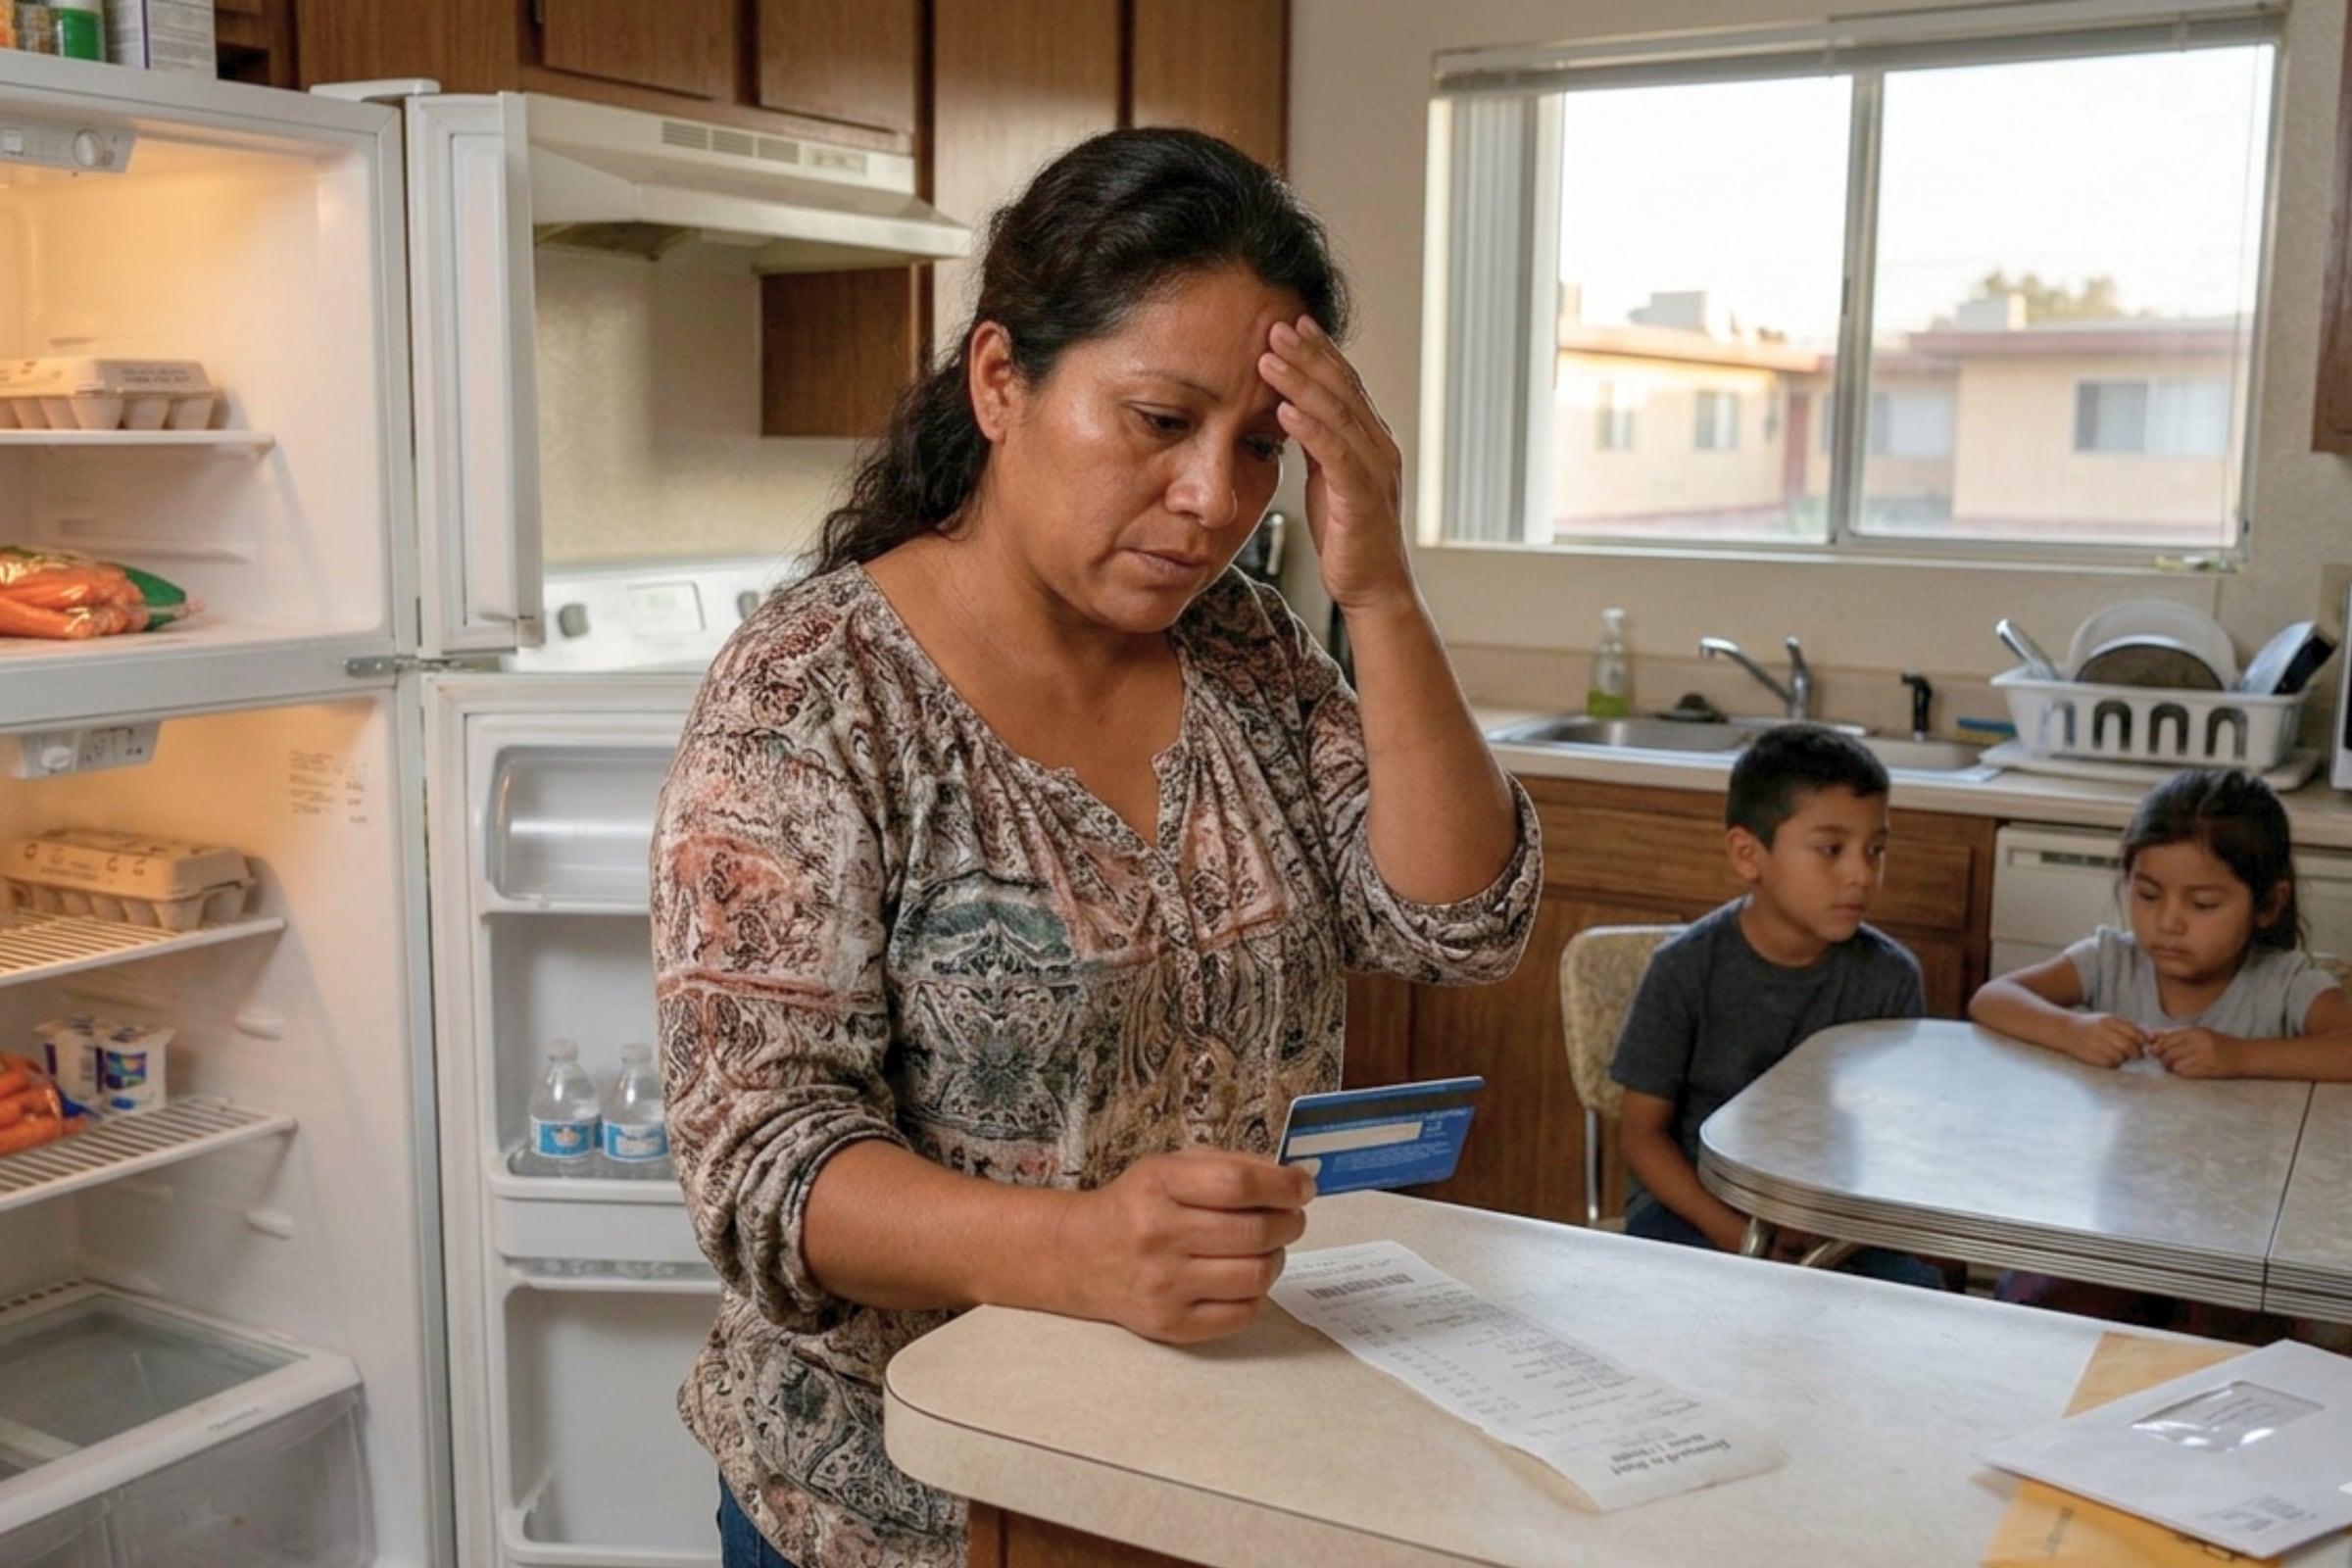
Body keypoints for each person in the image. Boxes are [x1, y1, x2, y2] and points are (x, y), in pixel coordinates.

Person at [650, 126, 1540, 1568]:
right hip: (902, 1507)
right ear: (1001, 382)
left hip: (1204, 1473)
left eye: (1258, 447)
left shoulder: (1246, 646)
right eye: (1157, 421)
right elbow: (763, 1165)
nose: (1215, 502)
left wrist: (1376, 588)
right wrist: (1080, 1250)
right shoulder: (812, 695)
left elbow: (1457, 924)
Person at [1607, 724, 1947, 1289]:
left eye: (1876, 849)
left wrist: (1828, 1232)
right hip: (1696, 1211)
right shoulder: (1684, 970)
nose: (1861, 873)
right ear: (1748, 854)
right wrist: (1742, 1238)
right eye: (1831, 850)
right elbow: (1641, 1137)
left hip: (1835, 1223)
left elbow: (1894, 1141)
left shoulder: (1891, 979)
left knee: (1920, 1302)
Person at [1969, 767, 2352, 1081]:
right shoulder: (2111, 961)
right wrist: (2072, 1031)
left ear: (2268, 904)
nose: (2168, 923)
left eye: (2202, 904)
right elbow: (1991, 998)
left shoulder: (2284, 983)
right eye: (2149, 895)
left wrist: (2241, 1057)